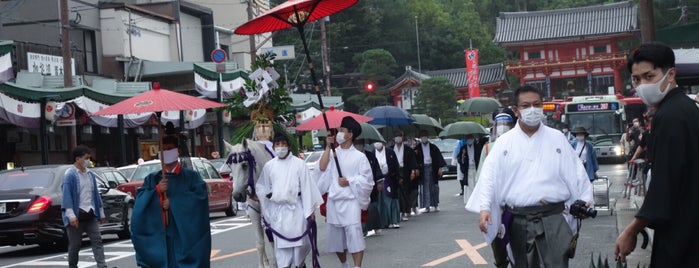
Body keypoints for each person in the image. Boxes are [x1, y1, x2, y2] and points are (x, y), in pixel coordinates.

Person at [467, 85, 594, 267]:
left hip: (554, 216)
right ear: (517, 111)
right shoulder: (504, 142)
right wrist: (485, 208)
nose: (532, 109)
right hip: (519, 219)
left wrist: (585, 199)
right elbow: (489, 178)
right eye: (526, 106)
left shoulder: (557, 138)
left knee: (558, 263)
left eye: (537, 104)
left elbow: (576, 173)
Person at [615, 43, 699, 266]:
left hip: (682, 234)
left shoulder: (669, 117)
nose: (642, 85)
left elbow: (665, 184)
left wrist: (631, 230)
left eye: (649, 76)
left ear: (670, 74)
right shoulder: (686, 109)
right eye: (636, 79)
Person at [131, 134, 211, 268]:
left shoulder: (192, 177)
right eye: (163, 149)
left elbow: (199, 201)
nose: (166, 152)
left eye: (169, 149)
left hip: (184, 235)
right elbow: (140, 206)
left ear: (178, 151)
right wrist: (157, 191)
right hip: (161, 236)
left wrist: (173, 203)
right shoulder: (152, 179)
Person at [256, 134, 324, 268]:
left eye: (283, 144)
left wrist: (309, 211)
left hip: (296, 210)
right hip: (278, 212)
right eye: (277, 145)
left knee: (300, 247)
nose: (280, 147)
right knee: (282, 251)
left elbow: (306, 187)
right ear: (274, 147)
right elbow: (262, 186)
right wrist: (264, 198)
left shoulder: (299, 164)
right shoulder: (269, 166)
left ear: (288, 146)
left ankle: (300, 264)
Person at [316, 116, 374, 268]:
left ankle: (357, 266)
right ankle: (344, 264)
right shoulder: (333, 152)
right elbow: (321, 168)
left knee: (354, 235)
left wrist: (350, 181)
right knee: (335, 239)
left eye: (342, 130)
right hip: (334, 201)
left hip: (351, 202)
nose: (339, 133)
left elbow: (367, 181)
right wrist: (328, 147)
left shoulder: (360, 157)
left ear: (350, 134)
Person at [467, 111, 516, 268]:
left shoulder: (519, 145)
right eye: (499, 125)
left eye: (506, 125)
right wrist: (484, 205)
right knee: (498, 239)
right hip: (496, 203)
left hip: (516, 202)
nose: (502, 128)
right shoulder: (488, 148)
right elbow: (481, 178)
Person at [61, 145, 107, 268]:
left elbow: (95, 195)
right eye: (86, 158)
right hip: (76, 215)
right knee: (75, 245)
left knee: (97, 240)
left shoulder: (90, 174)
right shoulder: (69, 175)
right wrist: (71, 216)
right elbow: (67, 197)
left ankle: (102, 265)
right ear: (77, 159)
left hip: (90, 213)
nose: (88, 161)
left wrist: (101, 213)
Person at [354, 138, 385, 236]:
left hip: (370, 184)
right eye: (357, 143)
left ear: (363, 144)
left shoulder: (370, 155)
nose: (359, 145)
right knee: (360, 209)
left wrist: (379, 182)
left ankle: (376, 226)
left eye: (360, 143)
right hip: (358, 186)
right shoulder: (353, 156)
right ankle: (363, 230)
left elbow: (376, 169)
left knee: (373, 206)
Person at [370, 140, 401, 228]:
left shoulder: (390, 152)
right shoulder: (372, 154)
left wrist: (398, 177)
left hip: (389, 179)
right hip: (377, 180)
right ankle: (383, 223)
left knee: (390, 200)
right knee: (380, 202)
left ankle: (393, 220)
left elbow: (396, 165)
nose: (377, 144)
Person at [415, 129, 446, 213]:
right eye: (422, 136)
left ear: (427, 136)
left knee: (434, 187)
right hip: (423, 169)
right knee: (425, 188)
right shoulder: (417, 148)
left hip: (433, 168)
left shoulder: (433, 147)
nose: (423, 137)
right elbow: (414, 160)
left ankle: (436, 205)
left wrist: (440, 168)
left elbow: (439, 158)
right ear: (420, 137)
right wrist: (416, 169)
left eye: (425, 135)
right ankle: (426, 206)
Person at [393, 130, 420, 220]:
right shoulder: (391, 149)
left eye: (399, 136)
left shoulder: (408, 149)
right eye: (396, 136)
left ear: (402, 137)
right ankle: (399, 211)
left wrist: (413, 171)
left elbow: (412, 162)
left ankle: (406, 211)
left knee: (405, 192)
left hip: (405, 171)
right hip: (395, 172)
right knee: (397, 193)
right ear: (394, 138)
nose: (398, 137)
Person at [456, 134, 484, 201]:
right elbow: (459, 159)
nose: (470, 140)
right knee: (468, 185)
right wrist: (463, 154)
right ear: (466, 139)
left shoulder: (477, 147)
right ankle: (469, 200)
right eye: (468, 138)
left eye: (471, 138)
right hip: (467, 169)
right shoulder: (463, 148)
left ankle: (477, 200)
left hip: (476, 168)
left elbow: (481, 157)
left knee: (476, 183)